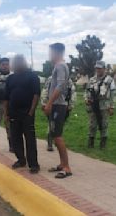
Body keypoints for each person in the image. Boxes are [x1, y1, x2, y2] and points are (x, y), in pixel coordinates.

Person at [4, 54, 40, 174]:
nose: (18, 64)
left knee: (30, 139)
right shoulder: (10, 78)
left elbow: (36, 94)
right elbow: (6, 97)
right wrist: (6, 113)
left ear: (24, 63)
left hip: (27, 113)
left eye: (20, 61)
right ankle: (21, 160)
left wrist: (31, 111)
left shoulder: (32, 76)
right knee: (15, 138)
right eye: (16, 62)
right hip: (13, 113)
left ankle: (33, 164)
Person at [44, 43, 72, 179]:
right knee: (55, 135)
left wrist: (49, 103)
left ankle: (66, 167)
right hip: (56, 105)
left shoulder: (60, 66)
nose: (49, 55)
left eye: (50, 52)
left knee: (58, 136)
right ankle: (62, 164)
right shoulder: (58, 66)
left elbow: (60, 85)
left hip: (58, 105)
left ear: (56, 52)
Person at [84, 61, 116, 149]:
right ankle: (91, 141)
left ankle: (103, 143)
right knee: (92, 124)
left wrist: (112, 106)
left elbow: (113, 94)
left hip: (105, 105)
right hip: (93, 104)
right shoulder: (92, 80)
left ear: (104, 69)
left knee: (104, 124)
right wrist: (86, 99)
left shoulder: (110, 80)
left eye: (100, 68)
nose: (98, 70)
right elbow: (87, 91)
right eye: (97, 68)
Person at [41, 76, 77, 151]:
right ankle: (50, 143)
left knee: (60, 124)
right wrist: (44, 103)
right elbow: (45, 91)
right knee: (52, 123)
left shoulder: (68, 80)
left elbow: (72, 93)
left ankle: (58, 142)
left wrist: (71, 105)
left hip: (64, 106)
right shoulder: (51, 79)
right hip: (52, 105)